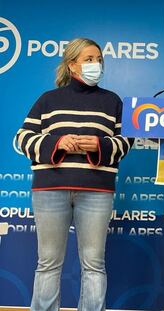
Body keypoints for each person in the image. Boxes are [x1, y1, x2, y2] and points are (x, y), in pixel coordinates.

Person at [16, 38, 132, 311]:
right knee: (48, 263)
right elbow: (22, 138)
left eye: (99, 59)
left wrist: (100, 145)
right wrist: (56, 143)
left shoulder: (113, 101)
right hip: (51, 190)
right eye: (89, 59)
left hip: (96, 192)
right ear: (72, 65)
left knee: (94, 264)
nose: (96, 65)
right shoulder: (48, 100)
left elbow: (126, 142)